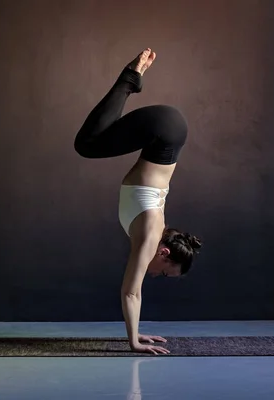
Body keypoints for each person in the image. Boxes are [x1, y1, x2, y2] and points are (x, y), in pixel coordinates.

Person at [74, 48, 202, 355]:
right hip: (164, 131)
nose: (155, 274)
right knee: (87, 145)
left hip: (168, 132)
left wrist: (138, 331)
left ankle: (131, 78)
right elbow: (131, 292)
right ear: (164, 252)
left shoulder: (154, 229)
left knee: (91, 142)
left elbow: (135, 290)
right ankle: (130, 77)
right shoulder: (148, 235)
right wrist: (133, 341)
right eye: (163, 271)